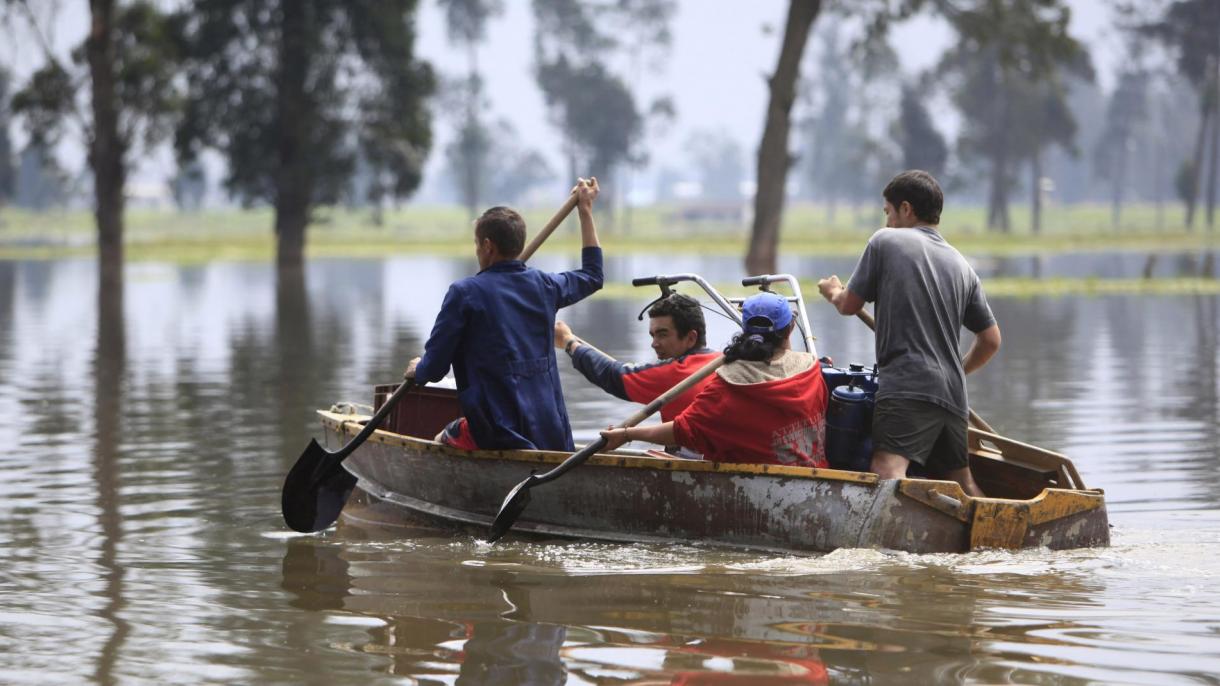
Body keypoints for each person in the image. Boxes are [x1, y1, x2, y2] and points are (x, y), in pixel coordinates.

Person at [817, 170, 1001, 496]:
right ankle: (998, 533)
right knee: (962, 482)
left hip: (906, 385)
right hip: (953, 395)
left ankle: (881, 547)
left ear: (906, 209)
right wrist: (956, 372)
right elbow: (990, 340)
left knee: (887, 470)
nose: (886, 221)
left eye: (887, 212)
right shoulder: (962, 265)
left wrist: (832, 291)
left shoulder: (886, 241)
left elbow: (848, 305)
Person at [403, 178, 603, 452]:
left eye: (476, 244)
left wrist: (419, 370)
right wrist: (586, 211)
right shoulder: (545, 286)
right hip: (551, 432)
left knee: (442, 438)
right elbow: (593, 276)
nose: (476, 251)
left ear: (487, 246)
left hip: (495, 432)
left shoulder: (464, 293)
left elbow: (435, 369)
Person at [599, 292, 829, 467]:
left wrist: (628, 434)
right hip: (817, 475)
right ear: (789, 330)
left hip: (756, 485)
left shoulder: (728, 385)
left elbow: (684, 430)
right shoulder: (812, 370)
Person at [553, 293, 718, 423]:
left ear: (690, 338)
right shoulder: (720, 358)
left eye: (662, 334)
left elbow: (613, 375)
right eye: (653, 336)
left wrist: (569, 342)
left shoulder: (677, 373)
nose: (654, 344)